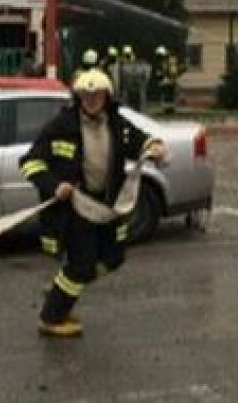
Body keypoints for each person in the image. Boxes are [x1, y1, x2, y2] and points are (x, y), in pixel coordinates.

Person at [20, 70, 168, 338]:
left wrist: (155, 147)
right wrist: (54, 185)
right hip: (75, 208)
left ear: (107, 97)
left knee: (113, 258)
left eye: (96, 95)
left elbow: (142, 141)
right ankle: (52, 317)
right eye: (85, 95)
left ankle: (60, 290)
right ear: (78, 97)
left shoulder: (117, 123)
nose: (91, 100)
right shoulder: (61, 126)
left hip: (107, 207)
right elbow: (30, 162)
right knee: (82, 264)